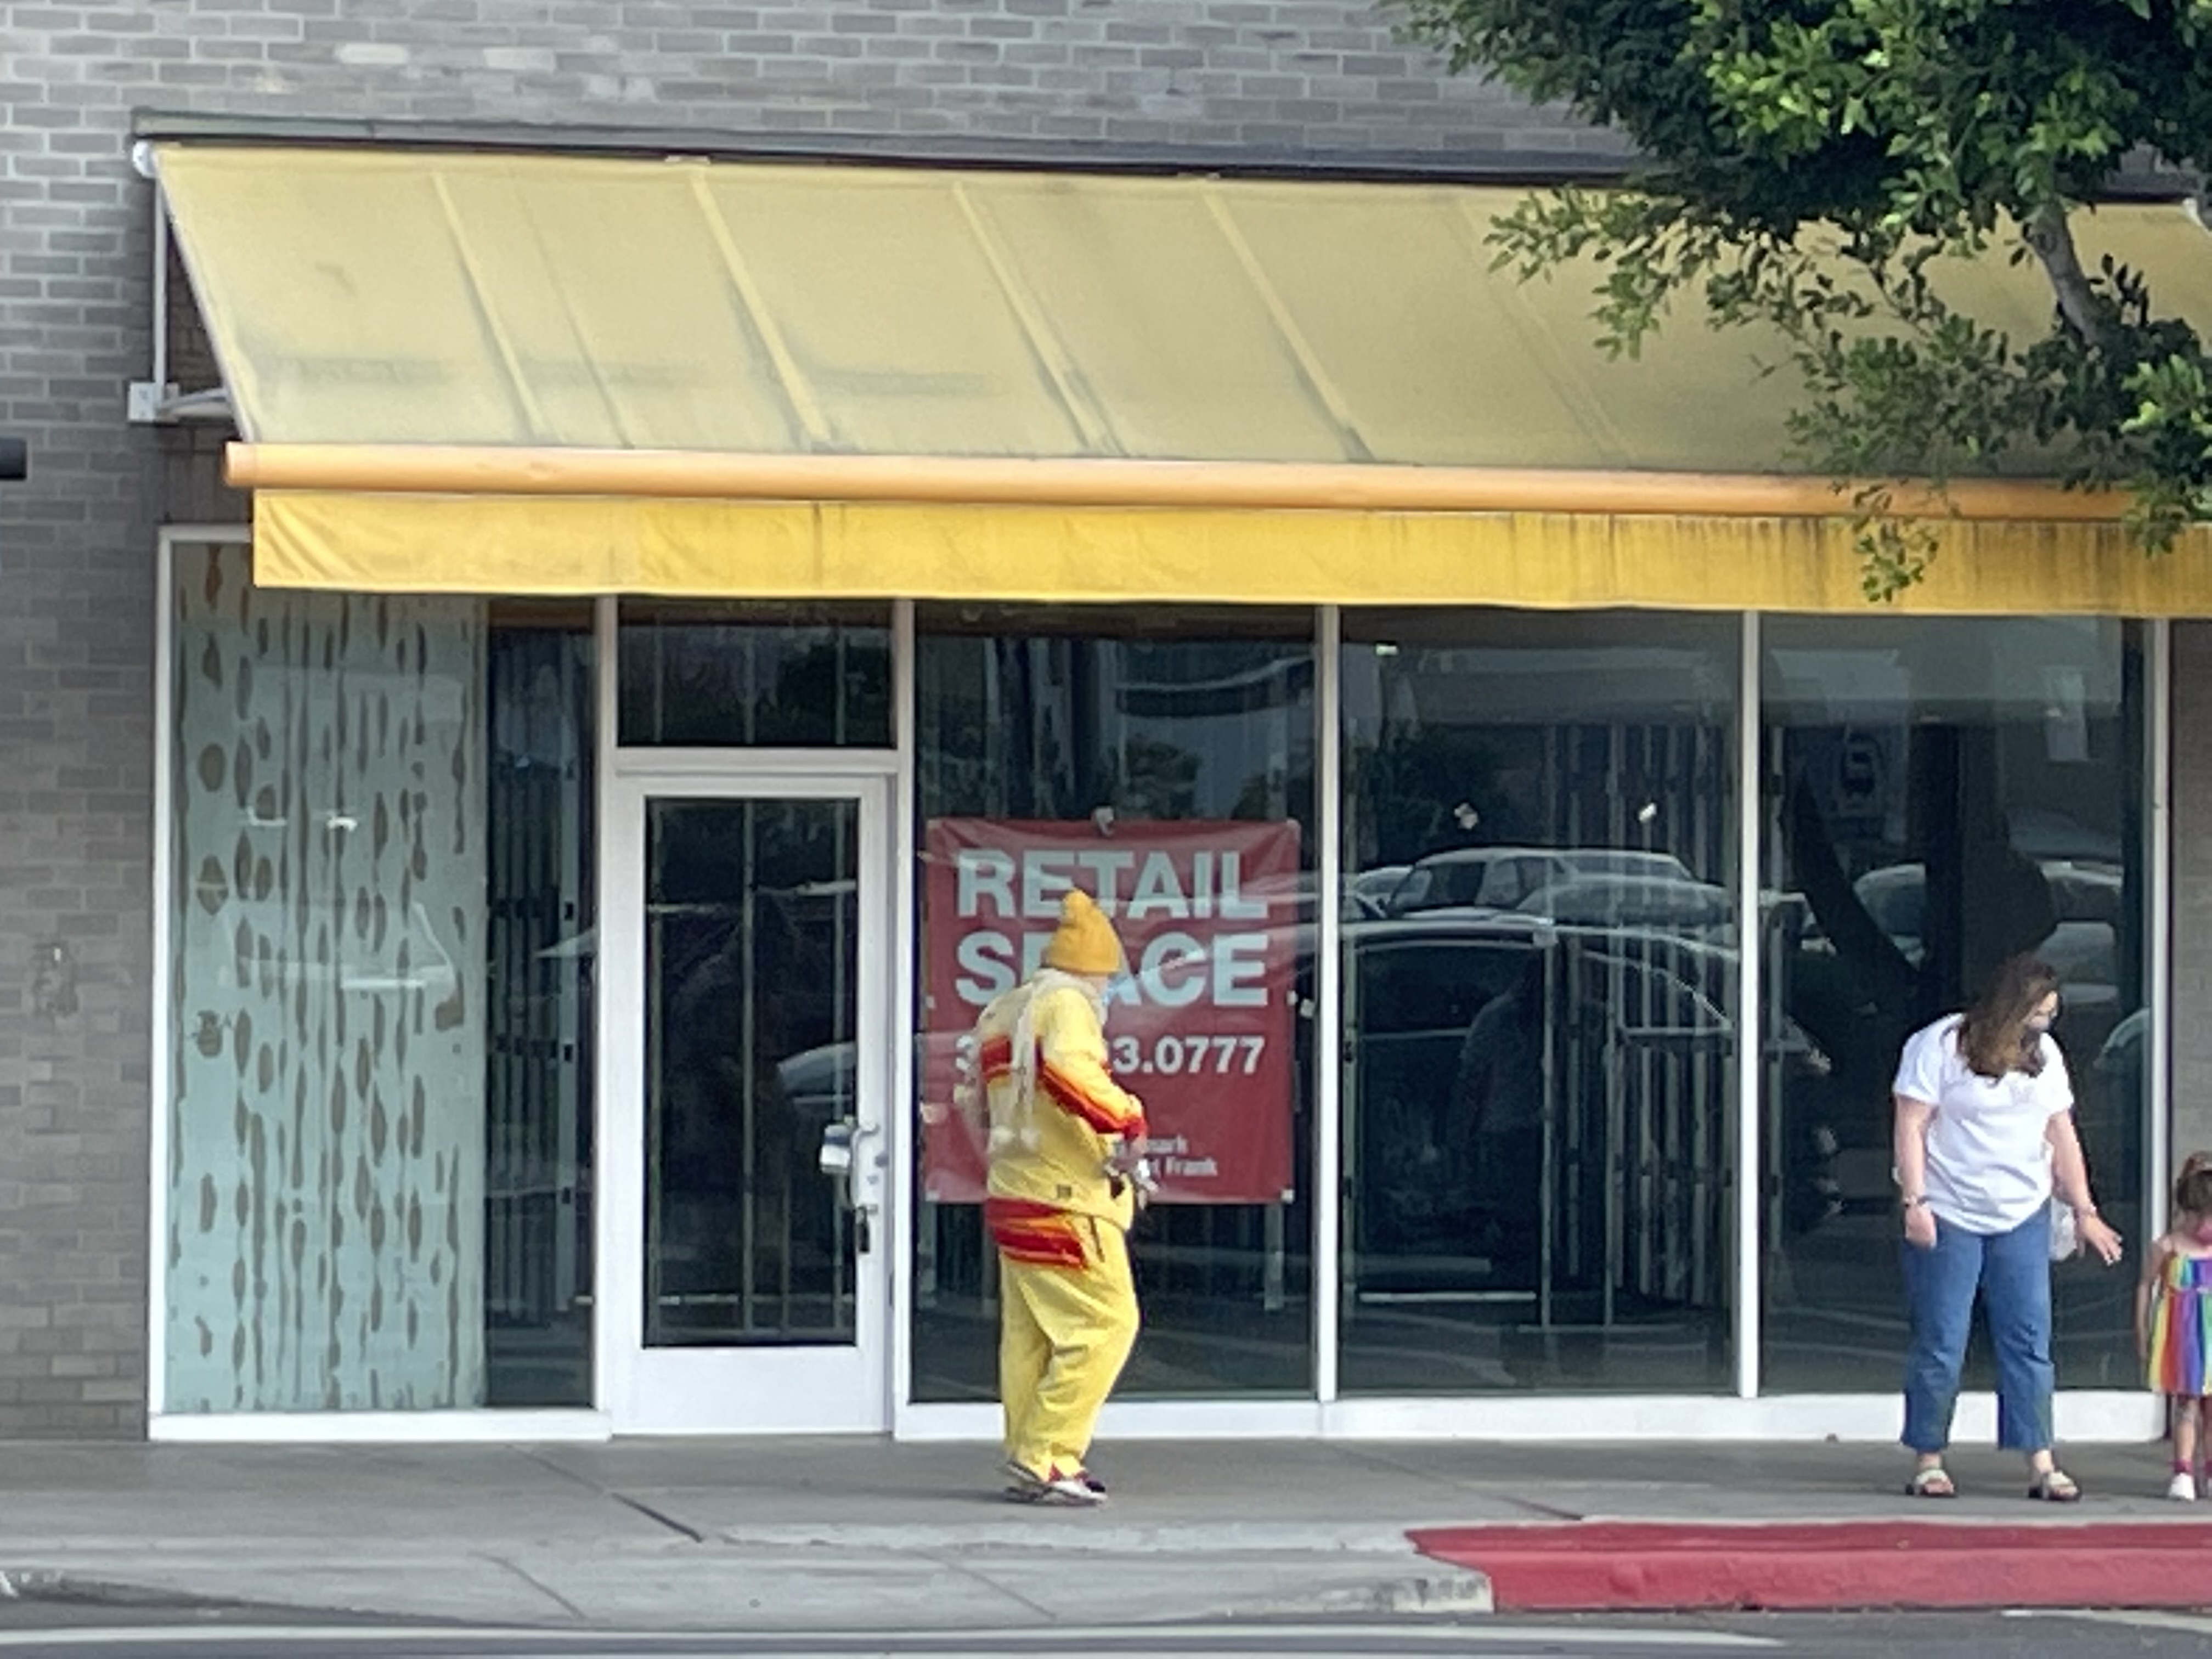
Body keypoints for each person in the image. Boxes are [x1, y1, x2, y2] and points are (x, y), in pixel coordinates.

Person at [1892, 954, 2124, 1502]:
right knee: (1943, 1337)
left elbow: (2060, 1132)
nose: (2043, 1025)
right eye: (2037, 1013)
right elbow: (1911, 1121)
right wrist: (1915, 1201)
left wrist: (2085, 1210)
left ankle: (2041, 1460)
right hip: (1949, 1207)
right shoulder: (1940, 1045)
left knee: (2028, 1337)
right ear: (2010, 1006)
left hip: (2022, 1210)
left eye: (2050, 1015)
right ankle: (1929, 1458)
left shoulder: (2045, 1055)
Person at [967, 889, 1147, 1508]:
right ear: (1095, 971)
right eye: (1108, 980)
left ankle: (1026, 1452)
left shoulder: (1008, 1007)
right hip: (1065, 1199)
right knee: (1107, 1323)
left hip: (1015, 1190)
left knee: (1031, 1337)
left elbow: (983, 1097)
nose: (1108, 993)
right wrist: (1129, 1118)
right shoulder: (1066, 1005)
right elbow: (1072, 1075)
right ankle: (1048, 1452)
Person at [2138, 1155, 2212, 1500]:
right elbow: (2145, 1286)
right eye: (2201, 1216)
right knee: (2187, 1404)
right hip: (2186, 1340)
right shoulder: (2168, 1247)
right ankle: (2183, 1472)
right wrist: (2143, 1334)